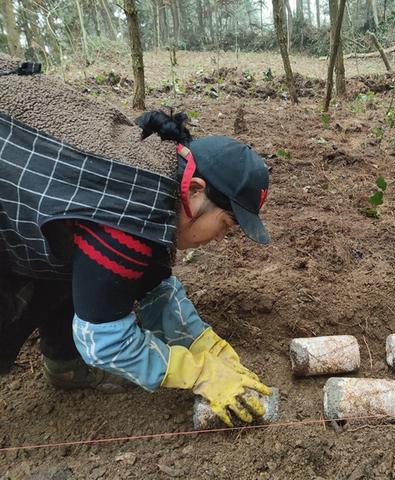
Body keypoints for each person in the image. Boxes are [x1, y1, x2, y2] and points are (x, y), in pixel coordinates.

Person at [0, 104, 272, 427]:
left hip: (36, 201)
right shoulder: (127, 215)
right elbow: (102, 341)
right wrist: (198, 371)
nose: (221, 239)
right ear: (196, 190)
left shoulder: (159, 181)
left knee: (88, 265)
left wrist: (204, 343)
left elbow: (153, 288)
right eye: (226, 224)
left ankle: (63, 362)